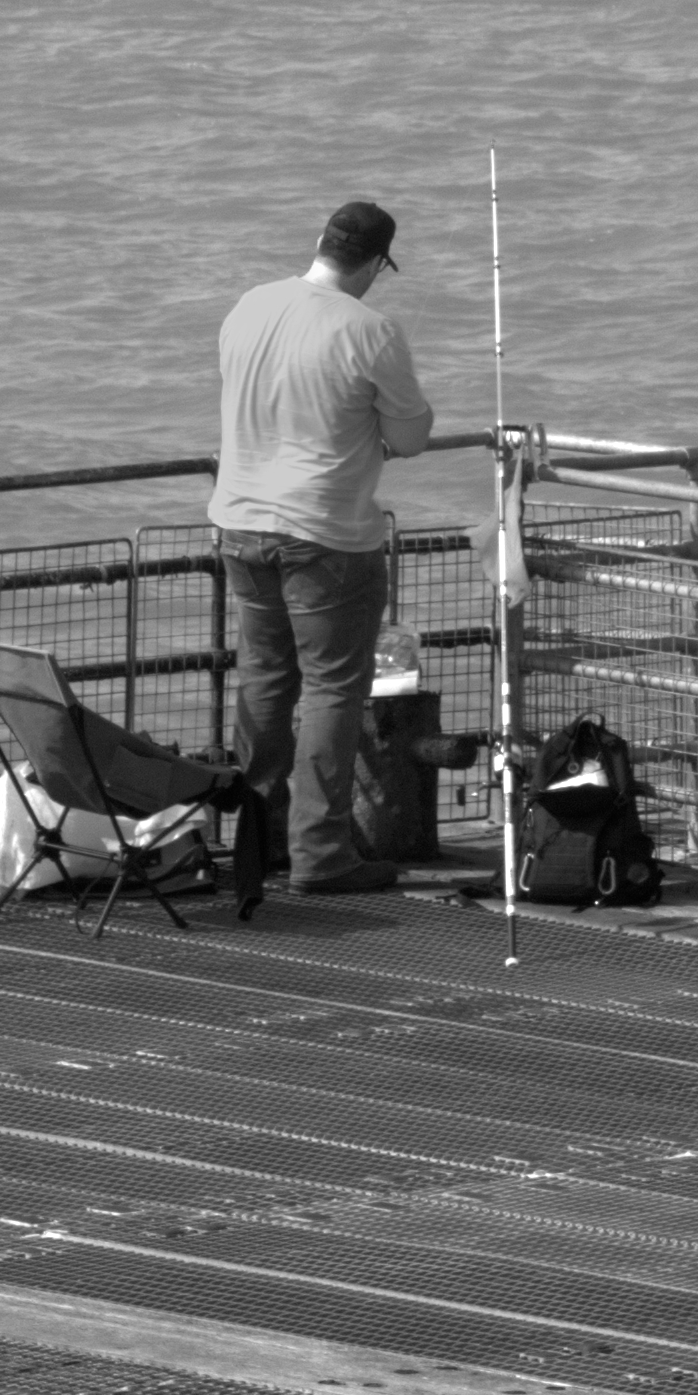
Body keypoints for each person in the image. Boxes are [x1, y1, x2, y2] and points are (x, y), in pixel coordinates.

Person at [211, 194, 434, 896]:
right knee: (335, 690)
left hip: (241, 525)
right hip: (328, 535)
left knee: (265, 684)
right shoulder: (371, 331)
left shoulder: (249, 305)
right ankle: (321, 855)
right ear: (374, 263)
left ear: (319, 241)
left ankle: (259, 842)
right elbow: (409, 437)